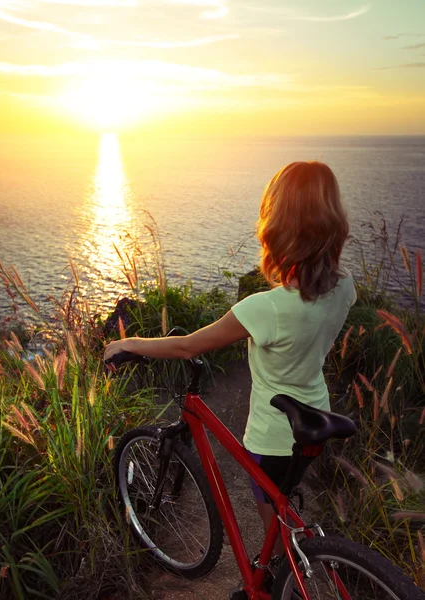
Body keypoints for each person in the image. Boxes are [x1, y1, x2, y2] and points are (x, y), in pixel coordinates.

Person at [104, 160, 356, 556]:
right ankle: (293, 560)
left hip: (273, 436)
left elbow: (188, 345)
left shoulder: (266, 308)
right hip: (314, 414)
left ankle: (280, 574)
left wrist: (129, 342)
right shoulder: (345, 288)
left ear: (280, 224)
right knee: (284, 503)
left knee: (275, 535)